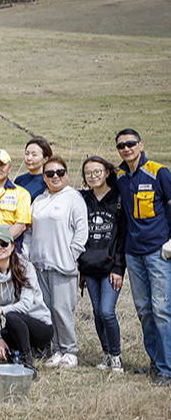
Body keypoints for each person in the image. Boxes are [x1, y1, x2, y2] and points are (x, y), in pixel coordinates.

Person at [114, 128, 171, 386]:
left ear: (141, 144)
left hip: (159, 252)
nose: (126, 149)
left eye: (130, 144)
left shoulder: (159, 172)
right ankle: (156, 362)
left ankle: (167, 369)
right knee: (145, 310)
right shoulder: (121, 177)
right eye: (121, 146)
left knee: (162, 309)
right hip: (133, 253)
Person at [24, 156, 88, 369]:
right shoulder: (40, 200)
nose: (55, 177)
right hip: (40, 265)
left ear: (66, 174)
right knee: (48, 310)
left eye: (59, 172)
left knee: (62, 310)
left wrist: (72, 255)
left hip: (63, 265)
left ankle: (70, 350)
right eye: (50, 174)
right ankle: (57, 349)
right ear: (44, 177)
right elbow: (29, 231)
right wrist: (28, 255)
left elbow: (81, 232)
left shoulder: (73, 198)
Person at [0, 226, 53, 378]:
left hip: (40, 326)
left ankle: (28, 364)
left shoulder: (26, 267)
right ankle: (13, 353)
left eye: (4, 244)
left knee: (13, 317)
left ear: (12, 246)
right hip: (15, 328)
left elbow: (25, 305)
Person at [78, 156, 126, 373]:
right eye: (88, 173)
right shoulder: (82, 199)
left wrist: (118, 268)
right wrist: (79, 268)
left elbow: (122, 236)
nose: (93, 176)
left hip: (110, 266)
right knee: (97, 312)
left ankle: (116, 355)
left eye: (97, 171)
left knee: (107, 311)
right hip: (89, 265)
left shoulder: (119, 198)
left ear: (107, 172)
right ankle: (106, 353)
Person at [15, 136, 53, 202]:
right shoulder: (19, 181)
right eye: (27, 154)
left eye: (34, 155)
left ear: (45, 159)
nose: (29, 158)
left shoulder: (50, 181)